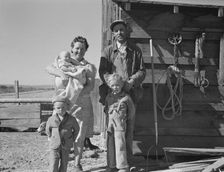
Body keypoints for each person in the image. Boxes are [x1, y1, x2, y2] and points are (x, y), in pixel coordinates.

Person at [46, 36, 99, 172]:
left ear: (86, 50)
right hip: (61, 104)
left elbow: (90, 86)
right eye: (76, 48)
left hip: (81, 104)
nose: (79, 51)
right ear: (72, 48)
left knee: (79, 135)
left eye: (82, 48)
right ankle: (56, 164)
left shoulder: (89, 66)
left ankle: (76, 164)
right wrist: (61, 73)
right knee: (57, 132)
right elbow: (48, 68)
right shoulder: (63, 60)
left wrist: (74, 94)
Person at [99, 19, 146, 169]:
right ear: (113, 33)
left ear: (126, 31)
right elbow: (103, 71)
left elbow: (142, 70)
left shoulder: (135, 50)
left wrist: (132, 81)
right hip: (113, 95)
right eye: (116, 30)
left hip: (131, 93)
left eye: (122, 29)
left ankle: (127, 162)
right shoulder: (107, 51)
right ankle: (112, 164)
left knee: (129, 129)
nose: (119, 32)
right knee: (113, 129)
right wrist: (113, 84)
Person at [104, 73, 135, 172]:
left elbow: (132, 111)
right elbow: (106, 109)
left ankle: (122, 166)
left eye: (117, 85)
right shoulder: (108, 97)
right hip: (110, 125)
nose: (115, 87)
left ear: (122, 85)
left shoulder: (125, 98)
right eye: (112, 85)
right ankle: (111, 165)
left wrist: (123, 119)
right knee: (110, 144)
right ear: (109, 86)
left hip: (120, 125)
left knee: (120, 145)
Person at [46, 95, 79, 172]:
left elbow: (76, 129)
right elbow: (48, 129)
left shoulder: (71, 119)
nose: (61, 110)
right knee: (53, 162)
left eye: (63, 107)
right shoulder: (51, 119)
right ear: (54, 108)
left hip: (66, 144)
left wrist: (72, 138)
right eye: (58, 108)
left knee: (64, 163)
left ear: (67, 107)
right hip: (54, 145)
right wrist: (51, 137)